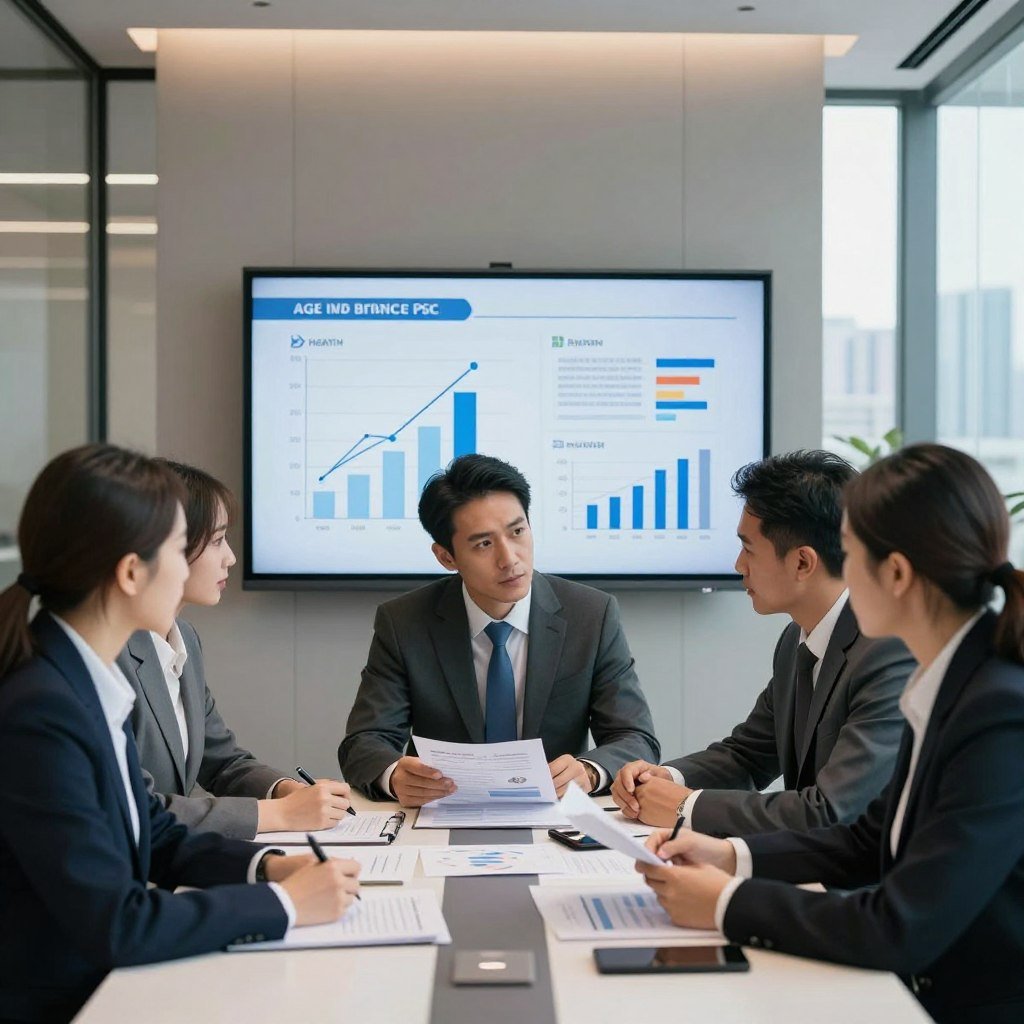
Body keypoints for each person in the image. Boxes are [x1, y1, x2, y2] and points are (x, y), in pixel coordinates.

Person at [636, 443, 1024, 1024]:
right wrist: (729, 856)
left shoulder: (997, 712)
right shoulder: (951, 679)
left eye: (852, 553)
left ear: (894, 574)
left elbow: (900, 925)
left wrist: (728, 903)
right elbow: (870, 838)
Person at [0, 445, 360, 1024]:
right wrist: (284, 904)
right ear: (130, 571)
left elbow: (153, 830)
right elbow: (118, 923)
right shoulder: (42, 710)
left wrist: (266, 868)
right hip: (69, 1002)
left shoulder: (77, 679)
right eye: (177, 546)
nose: (213, 558)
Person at [612, 450, 914, 835]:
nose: (739, 565)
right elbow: (749, 755)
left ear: (803, 562)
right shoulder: (796, 640)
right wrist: (667, 777)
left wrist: (687, 807)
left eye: (748, 548)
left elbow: (830, 811)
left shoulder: (888, 652)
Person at [339, 453, 660, 805]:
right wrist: (394, 775)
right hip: (443, 812)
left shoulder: (591, 615)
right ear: (447, 557)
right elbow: (365, 741)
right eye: (483, 544)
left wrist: (589, 770)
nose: (510, 559)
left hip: (553, 814)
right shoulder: (404, 622)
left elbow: (634, 737)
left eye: (517, 531)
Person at [116, 460, 351, 839]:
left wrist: (286, 791)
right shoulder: (111, 658)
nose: (230, 558)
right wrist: (279, 815)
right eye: (216, 541)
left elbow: (220, 760)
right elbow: (139, 808)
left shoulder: (184, 637)